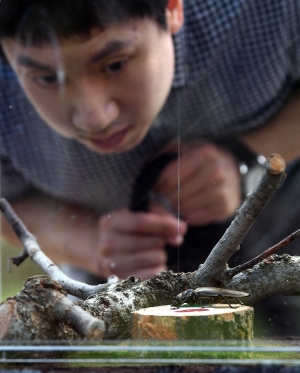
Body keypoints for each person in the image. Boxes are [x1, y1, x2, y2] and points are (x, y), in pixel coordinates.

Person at [0, 0, 300, 336]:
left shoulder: (267, 10)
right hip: (116, 284)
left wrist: (248, 155)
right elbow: (6, 203)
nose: (94, 116)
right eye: (46, 78)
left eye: (114, 65)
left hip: (288, 236)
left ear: (172, 9)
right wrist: (92, 242)